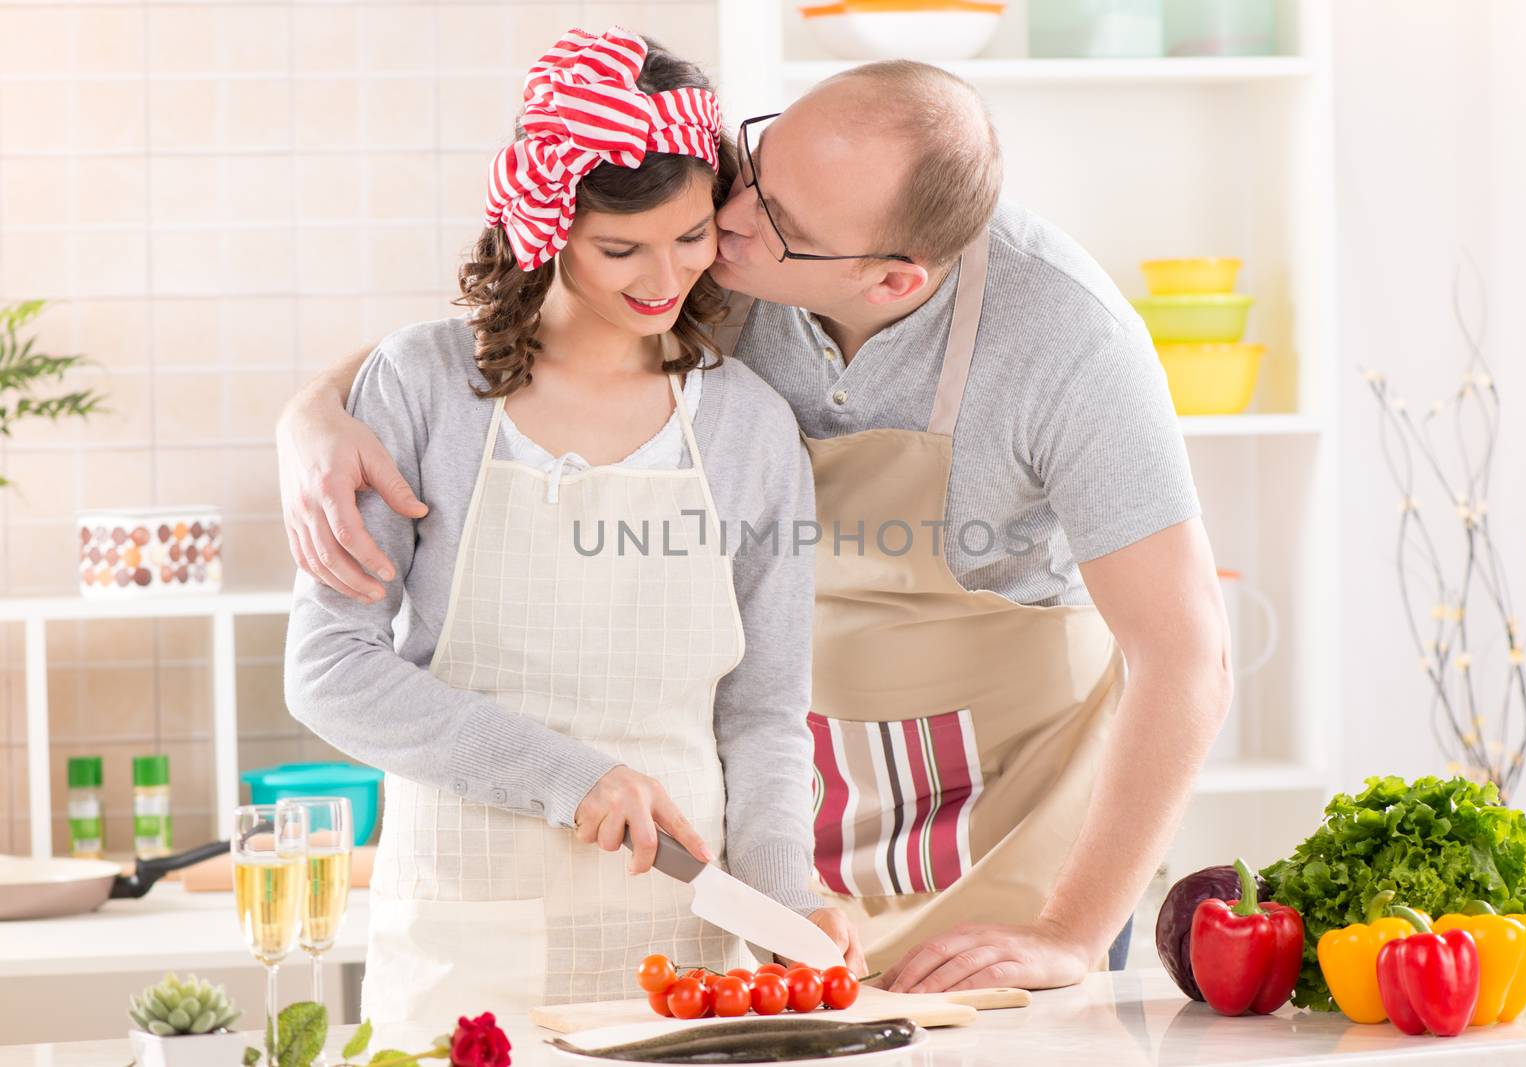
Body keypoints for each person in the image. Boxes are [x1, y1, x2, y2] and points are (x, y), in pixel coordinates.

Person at [280, 56, 1232, 994]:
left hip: (1005, 817)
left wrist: (1069, 930)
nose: (726, 221)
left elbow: (1187, 657)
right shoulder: (711, 252)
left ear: (889, 279)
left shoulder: (1066, 343)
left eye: (764, 218)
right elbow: (497, 336)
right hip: (790, 815)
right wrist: (313, 412)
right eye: (755, 163)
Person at [282, 28, 860, 1023]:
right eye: (619, 248)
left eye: (688, 237)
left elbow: (763, 711)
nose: (663, 277)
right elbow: (330, 668)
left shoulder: (748, 426)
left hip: (687, 959)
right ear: (546, 224)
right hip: (465, 956)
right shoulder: (424, 387)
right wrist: (568, 773)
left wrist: (783, 889)